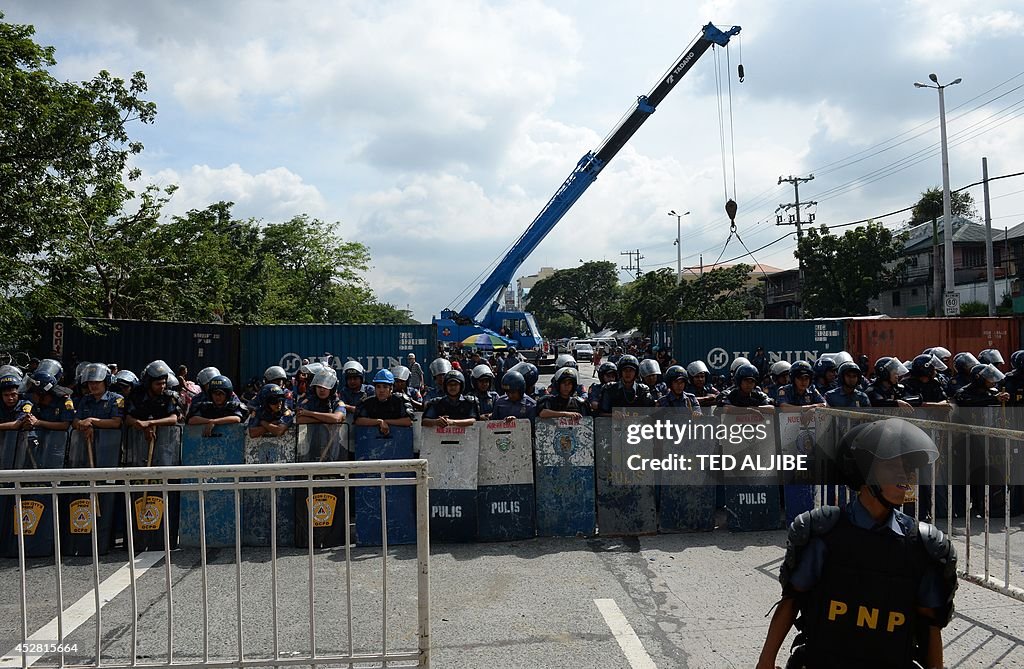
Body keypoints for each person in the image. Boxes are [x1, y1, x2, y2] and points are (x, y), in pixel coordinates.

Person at [756, 419, 956, 669]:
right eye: (893, 465)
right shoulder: (822, 531)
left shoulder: (924, 545)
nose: (905, 474)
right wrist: (765, 661)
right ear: (865, 473)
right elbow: (792, 599)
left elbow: (930, 624)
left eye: (907, 467)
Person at [73, 363, 125, 438]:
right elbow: (75, 421)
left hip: (109, 443)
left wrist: (91, 420)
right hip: (86, 442)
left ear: (106, 382)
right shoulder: (85, 399)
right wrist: (84, 425)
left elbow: (116, 422)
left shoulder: (118, 399)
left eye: (97, 382)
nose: (93, 386)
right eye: (90, 382)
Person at [355, 369, 414, 435]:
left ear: (391, 388)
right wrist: (379, 422)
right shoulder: (367, 402)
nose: (381, 390)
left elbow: (408, 421)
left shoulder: (400, 400)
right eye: (378, 387)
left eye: (385, 387)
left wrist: (386, 422)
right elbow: (358, 420)